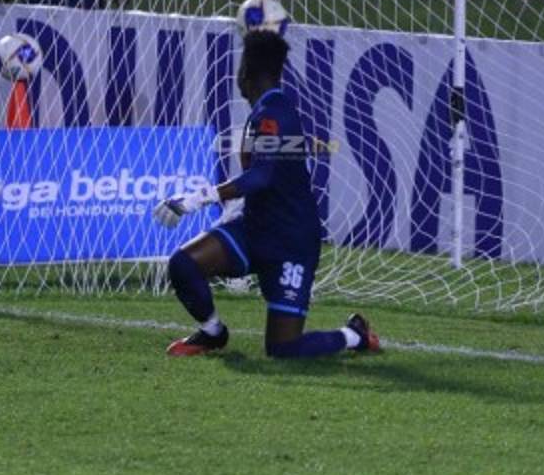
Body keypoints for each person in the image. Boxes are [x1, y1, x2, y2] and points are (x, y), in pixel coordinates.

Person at [154, 31, 380, 358]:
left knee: (283, 349)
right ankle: (212, 332)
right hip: (254, 228)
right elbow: (262, 172)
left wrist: (197, 199)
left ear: (246, 72)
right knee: (184, 264)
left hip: (291, 241)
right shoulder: (264, 111)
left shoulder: (273, 114)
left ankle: (354, 335)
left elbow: (262, 175)